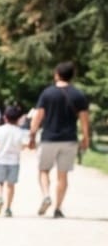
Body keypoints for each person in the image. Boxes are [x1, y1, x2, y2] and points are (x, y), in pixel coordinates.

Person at [29, 60, 92, 218]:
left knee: (43, 170)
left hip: (49, 138)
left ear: (57, 74)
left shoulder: (47, 93)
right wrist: (86, 138)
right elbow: (84, 119)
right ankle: (58, 208)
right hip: (69, 139)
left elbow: (38, 116)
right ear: (72, 76)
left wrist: (32, 134)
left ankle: (46, 195)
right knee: (62, 175)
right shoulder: (78, 95)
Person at [0, 105, 28, 217]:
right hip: (14, 162)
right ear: (18, 119)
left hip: (1, 160)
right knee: (11, 185)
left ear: (5, 118)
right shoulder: (19, 131)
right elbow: (23, 146)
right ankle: (8, 208)